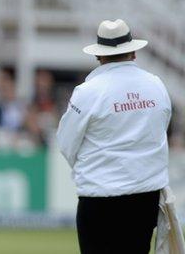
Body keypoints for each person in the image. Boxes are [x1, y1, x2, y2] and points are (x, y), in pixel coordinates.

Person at [56, 19, 172, 253]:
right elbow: (160, 129)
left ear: (99, 56)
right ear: (134, 53)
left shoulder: (88, 92)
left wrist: (94, 168)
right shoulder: (156, 85)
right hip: (144, 195)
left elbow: (66, 143)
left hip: (100, 195)